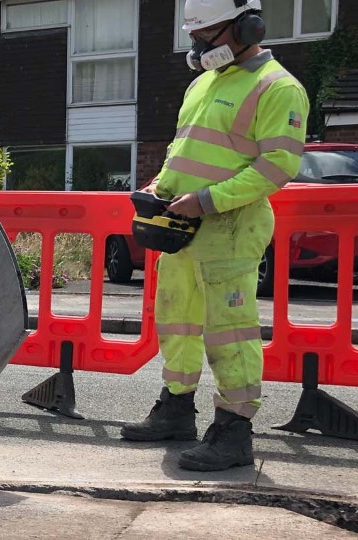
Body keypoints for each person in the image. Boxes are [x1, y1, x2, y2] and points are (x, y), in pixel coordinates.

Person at [120, 0, 309, 472]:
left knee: (231, 333)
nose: (200, 46)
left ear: (250, 26)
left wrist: (208, 200)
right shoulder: (204, 82)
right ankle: (177, 409)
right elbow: (183, 148)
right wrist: (158, 188)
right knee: (176, 320)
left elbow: (276, 167)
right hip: (182, 228)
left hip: (229, 228)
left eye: (209, 35)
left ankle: (234, 431)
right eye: (196, 36)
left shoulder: (279, 87)